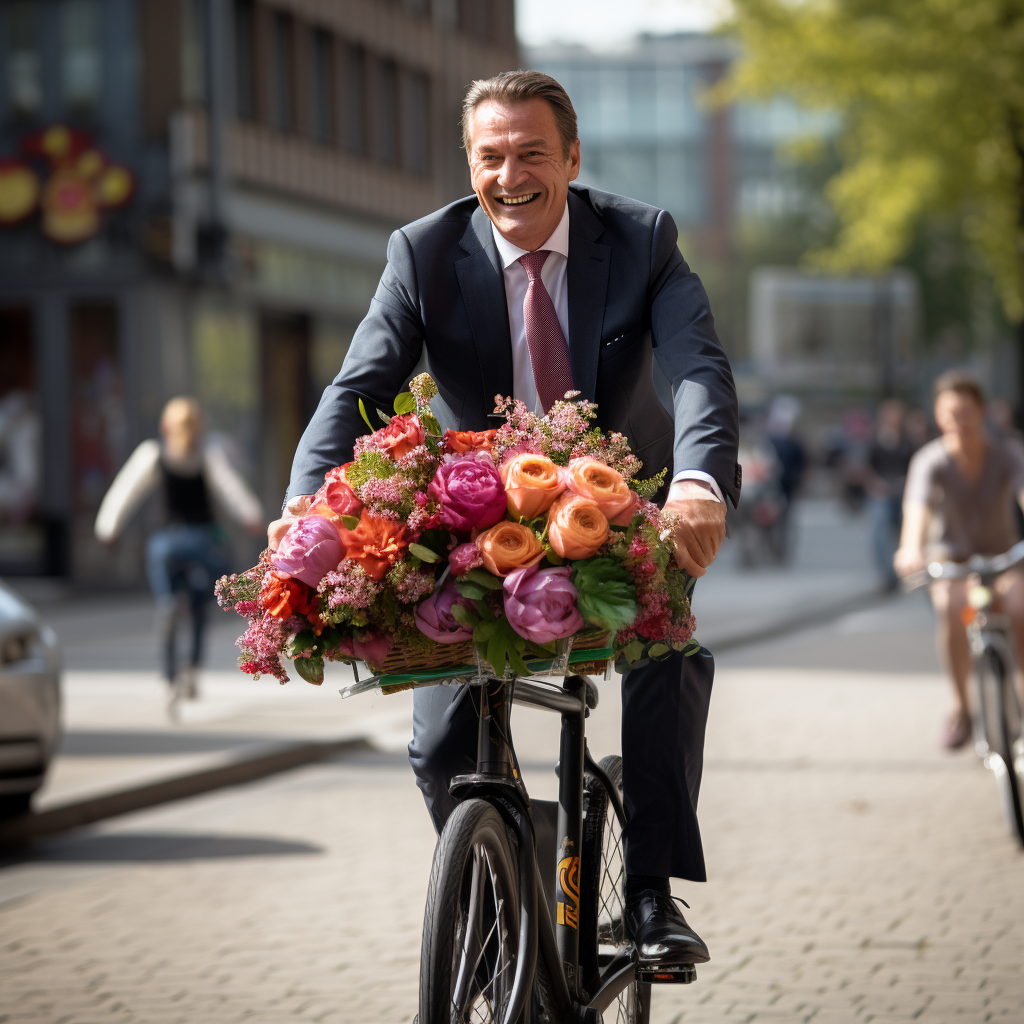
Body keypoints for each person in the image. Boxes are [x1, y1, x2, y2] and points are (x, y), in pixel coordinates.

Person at [269, 71, 740, 969]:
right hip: (481, 515)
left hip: (633, 501)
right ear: (470, 163)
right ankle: (497, 884)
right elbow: (357, 389)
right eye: (492, 155)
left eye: (533, 152)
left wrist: (698, 485)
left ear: (572, 157)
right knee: (440, 731)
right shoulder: (421, 251)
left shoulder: (642, 240)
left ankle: (646, 896)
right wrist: (304, 500)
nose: (511, 173)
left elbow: (697, 373)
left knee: (663, 652)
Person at [96, 397, 263, 712]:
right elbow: (230, 487)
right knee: (202, 603)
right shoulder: (207, 453)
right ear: (199, 426)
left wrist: (108, 529)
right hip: (202, 540)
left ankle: (169, 675)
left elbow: (126, 490)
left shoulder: (153, 453)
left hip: (166, 543)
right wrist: (250, 516)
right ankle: (192, 669)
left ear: (165, 427)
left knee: (168, 606)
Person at [894, 371, 1024, 750]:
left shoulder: (1007, 454)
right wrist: (910, 548)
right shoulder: (929, 460)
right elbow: (915, 510)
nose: (958, 422)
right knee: (950, 607)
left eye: (966, 412)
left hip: (1003, 557)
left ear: (981, 412)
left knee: (1019, 607)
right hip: (952, 559)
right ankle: (961, 707)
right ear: (938, 417)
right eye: (950, 414)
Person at [866, 399, 915, 590]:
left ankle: (903, 572)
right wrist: (877, 485)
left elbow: (914, 467)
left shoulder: (907, 442)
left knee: (904, 533)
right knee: (879, 532)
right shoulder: (875, 441)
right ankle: (886, 574)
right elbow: (867, 468)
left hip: (903, 492)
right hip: (881, 493)